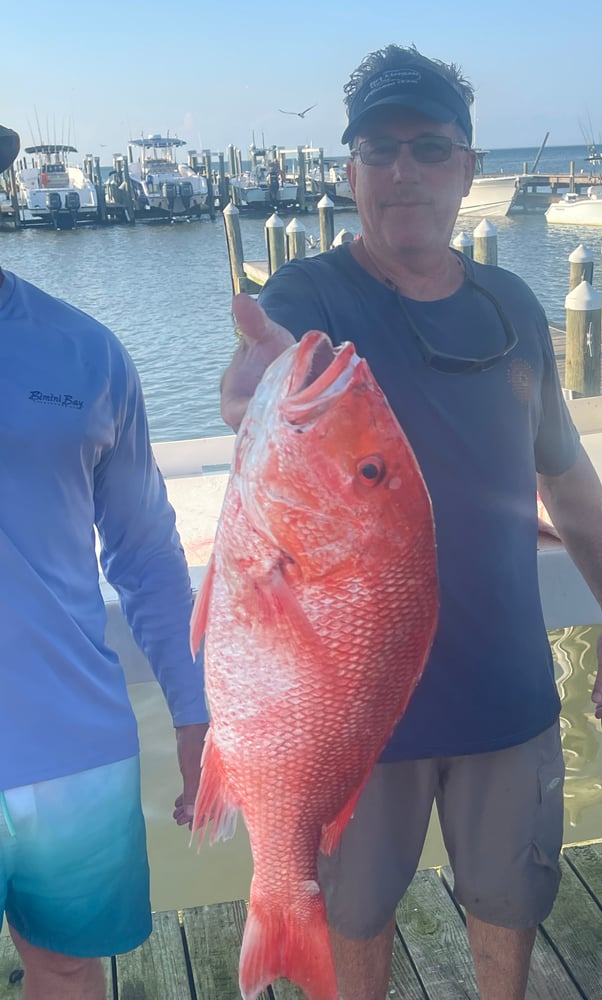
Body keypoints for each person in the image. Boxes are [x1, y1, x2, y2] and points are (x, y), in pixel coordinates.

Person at [219, 45, 602, 1000]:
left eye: (426, 146)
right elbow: (259, 373)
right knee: (352, 914)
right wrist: (254, 386)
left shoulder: (514, 307)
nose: (401, 170)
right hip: (351, 715)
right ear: (351, 173)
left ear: (468, 168)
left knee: (512, 900)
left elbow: (567, 476)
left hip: (506, 688)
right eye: (378, 150)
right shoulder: (311, 299)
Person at [0, 124, 208, 1000]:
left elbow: (148, 551)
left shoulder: (86, 352)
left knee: (65, 964)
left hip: (69, 741)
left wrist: (196, 711)